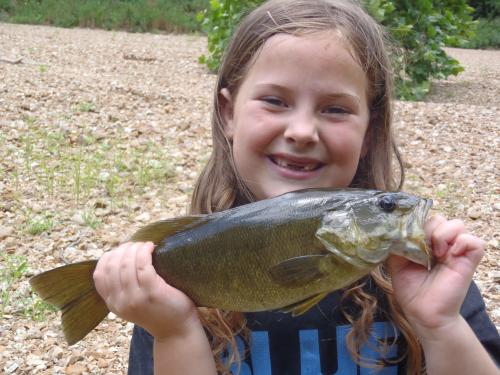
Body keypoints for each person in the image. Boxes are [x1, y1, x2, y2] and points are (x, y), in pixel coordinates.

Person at [92, 0, 500, 374]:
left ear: (370, 132)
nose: (302, 131)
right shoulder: (166, 292)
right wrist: (175, 332)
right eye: (275, 101)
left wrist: (441, 325)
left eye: (335, 109)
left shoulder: (426, 279)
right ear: (228, 113)